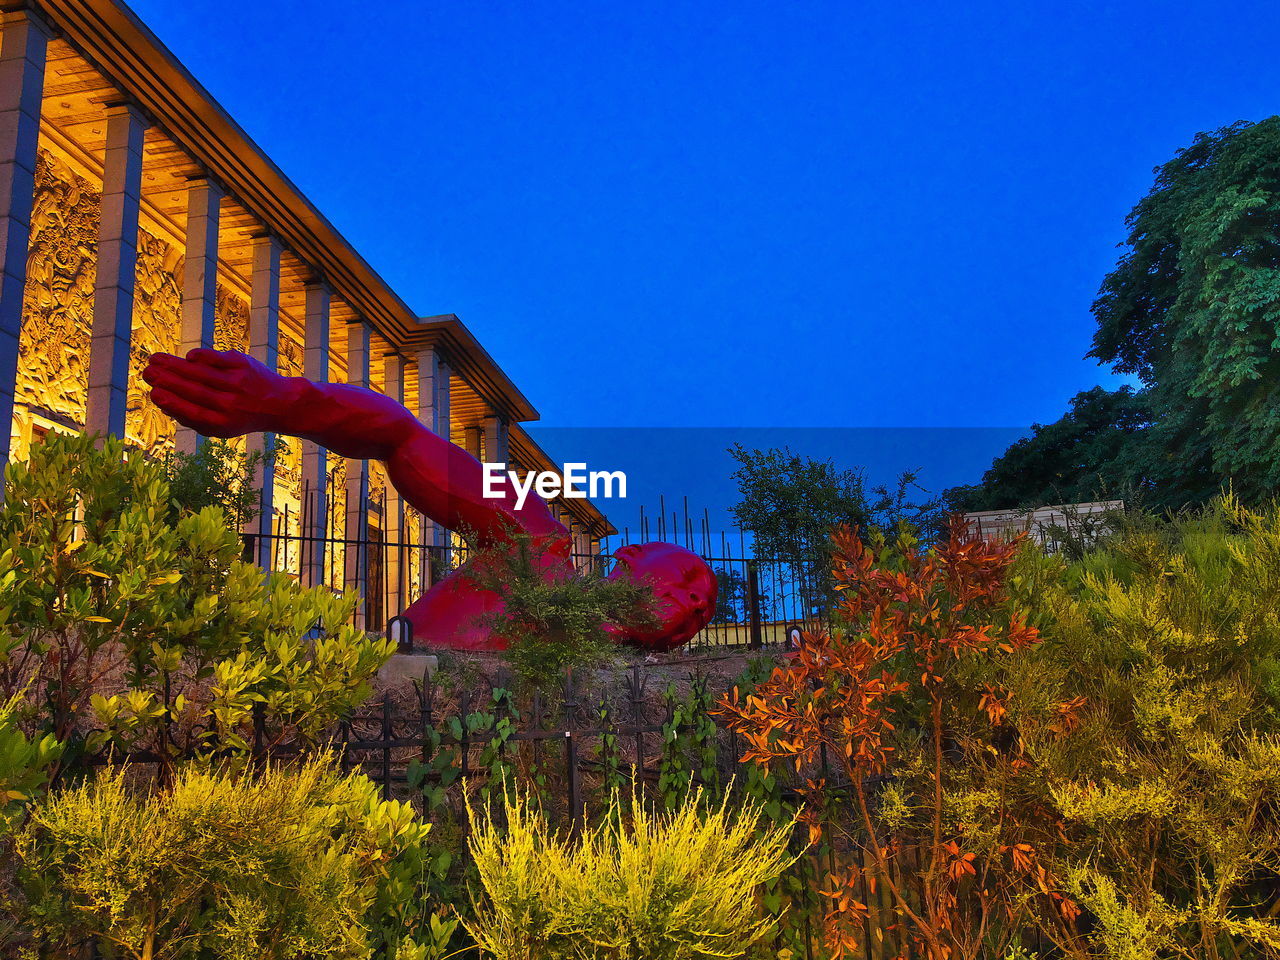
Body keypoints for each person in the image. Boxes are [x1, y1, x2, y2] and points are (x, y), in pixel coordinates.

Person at [143, 348, 716, 651]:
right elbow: (402, 436)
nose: (696, 602)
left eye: (706, 609)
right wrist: (286, 402)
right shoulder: (535, 541)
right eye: (692, 577)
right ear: (632, 555)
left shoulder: (631, 683)